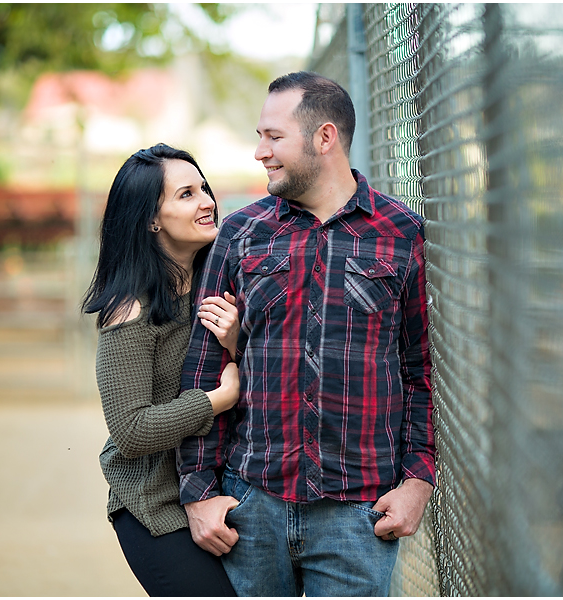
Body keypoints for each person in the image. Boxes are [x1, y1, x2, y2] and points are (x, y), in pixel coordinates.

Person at [177, 72, 436, 596]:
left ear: (325, 138)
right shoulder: (241, 233)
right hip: (251, 508)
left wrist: (418, 481)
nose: (259, 152)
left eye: (274, 137)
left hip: (359, 514)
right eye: (259, 136)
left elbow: (417, 370)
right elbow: (204, 367)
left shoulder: (402, 233)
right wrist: (198, 491)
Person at [82, 143, 242, 597]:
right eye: (186, 194)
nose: (208, 201)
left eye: (204, 188)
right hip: (156, 507)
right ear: (151, 219)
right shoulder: (129, 309)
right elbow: (131, 430)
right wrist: (216, 400)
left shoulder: (225, 280)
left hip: (224, 490)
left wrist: (236, 342)